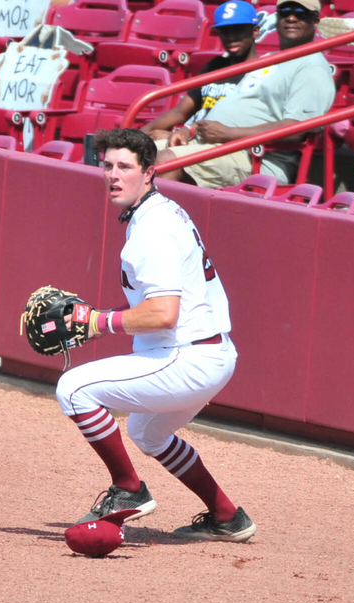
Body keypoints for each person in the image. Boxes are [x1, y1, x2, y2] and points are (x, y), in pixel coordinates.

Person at [54, 128, 256, 543]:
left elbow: (164, 314)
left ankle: (128, 488)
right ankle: (227, 516)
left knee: (73, 389)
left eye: (124, 167)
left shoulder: (153, 229)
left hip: (187, 357)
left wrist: (95, 323)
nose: (113, 175)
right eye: (107, 165)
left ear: (148, 173)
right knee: (147, 432)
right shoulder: (159, 211)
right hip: (209, 353)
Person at [155, 0, 335, 189]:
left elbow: (295, 130)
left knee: (165, 163)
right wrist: (190, 130)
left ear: (315, 21)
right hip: (219, 145)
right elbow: (237, 104)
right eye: (285, 11)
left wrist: (229, 134)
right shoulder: (269, 59)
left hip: (258, 159)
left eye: (301, 13)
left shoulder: (312, 66)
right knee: (133, 154)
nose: (291, 18)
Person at [142, 1, 262, 145]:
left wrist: (175, 135)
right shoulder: (215, 65)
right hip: (189, 137)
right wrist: (137, 135)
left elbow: (237, 124)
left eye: (238, 30)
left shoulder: (263, 72)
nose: (231, 37)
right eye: (224, 31)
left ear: (255, 31)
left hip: (214, 143)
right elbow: (180, 112)